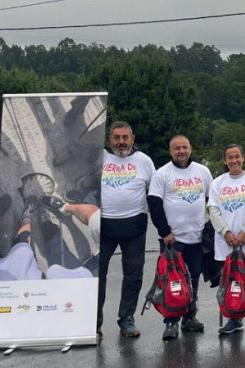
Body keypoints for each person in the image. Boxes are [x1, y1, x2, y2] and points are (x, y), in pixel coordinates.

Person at [148, 135, 213, 340]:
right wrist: (165, 232)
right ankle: (171, 322)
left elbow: (213, 200)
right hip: (172, 240)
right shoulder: (162, 174)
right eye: (177, 148)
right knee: (171, 281)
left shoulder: (203, 171)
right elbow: (154, 205)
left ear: (190, 149)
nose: (181, 151)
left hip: (196, 238)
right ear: (171, 151)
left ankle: (189, 317)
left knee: (192, 280)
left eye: (184, 147)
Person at [97, 121, 156, 339]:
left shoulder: (144, 161)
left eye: (125, 137)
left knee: (133, 276)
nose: (121, 142)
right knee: (97, 276)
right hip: (103, 225)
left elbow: (157, 194)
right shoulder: (98, 158)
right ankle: (95, 322)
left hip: (134, 227)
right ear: (109, 139)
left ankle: (126, 318)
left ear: (132, 138)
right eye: (116, 137)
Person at [209, 144, 245, 335]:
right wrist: (225, 232)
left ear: (243, 158)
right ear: (225, 161)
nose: (234, 161)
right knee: (229, 279)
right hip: (225, 241)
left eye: (237, 157)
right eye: (230, 158)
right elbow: (213, 210)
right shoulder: (217, 183)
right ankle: (234, 318)